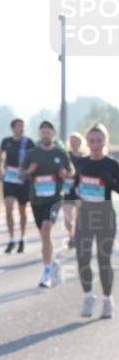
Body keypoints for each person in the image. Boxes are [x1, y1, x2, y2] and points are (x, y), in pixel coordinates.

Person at [71, 123, 117, 318]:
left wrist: (110, 181)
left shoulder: (112, 164)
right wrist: (74, 199)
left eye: (99, 140)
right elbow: (73, 187)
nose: (95, 144)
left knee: (103, 260)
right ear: (87, 142)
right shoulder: (81, 163)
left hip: (105, 215)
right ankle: (88, 297)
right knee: (82, 258)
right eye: (92, 141)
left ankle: (107, 300)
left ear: (105, 142)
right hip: (85, 216)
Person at [21, 121, 73, 288]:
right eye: (43, 132)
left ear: (53, 134)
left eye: (48, 132)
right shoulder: (31, 154)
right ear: (39, 134)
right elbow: (20, 175)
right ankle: (51, 262)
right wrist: (29, 171)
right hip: (36, 199)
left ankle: (46, 272)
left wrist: (65, 174)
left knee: (46, 228)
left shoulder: (60, 153)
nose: (45, 134)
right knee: (44, 235)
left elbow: (71, 173)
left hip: (54, 199)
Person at [0, 118, 36, 253]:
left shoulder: (28, 142)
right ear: (13, 128)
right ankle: (11, 239)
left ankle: (22, 237)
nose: (21, 128)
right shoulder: (6, 141)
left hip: (22, 179)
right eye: (19, 126)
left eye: (23, 126)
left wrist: (29, 171)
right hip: (9, 177)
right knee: (8, 208)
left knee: (22, 210)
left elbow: (35, 158)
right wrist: (1, 167)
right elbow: (1, 156)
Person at [64, 132, 90, 249]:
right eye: (72, 140)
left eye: (76, 140)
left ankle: (78, 236)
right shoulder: (65, 156)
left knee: (79, 216)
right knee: (67, 217)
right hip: (68, 189)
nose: (74, 142)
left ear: (81, 142)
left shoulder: (86, 157)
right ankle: (71, 235)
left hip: (81, 189)